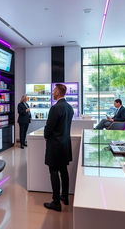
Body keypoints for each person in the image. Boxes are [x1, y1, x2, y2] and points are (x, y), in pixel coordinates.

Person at [43, 84, 74, 212]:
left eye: (54, 90)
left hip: (55, 146)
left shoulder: (55, 108)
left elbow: (49, 128)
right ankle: (65, 197)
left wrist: (46, 134)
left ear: (59, 92)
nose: (52, 93)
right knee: (64, 171)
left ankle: (56, 202)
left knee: (54, 172)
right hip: (65, 144)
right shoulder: (69, 107)